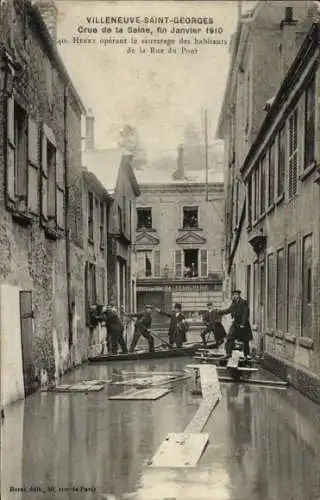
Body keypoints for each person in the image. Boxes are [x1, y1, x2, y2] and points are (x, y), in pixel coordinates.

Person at [218, 289, 253, 358]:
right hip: (236, 323)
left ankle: (247, 355)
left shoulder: (244, 302)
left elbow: (245, 314)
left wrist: (243, 324)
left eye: (236, 294)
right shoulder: (233, 303)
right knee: (229, 337)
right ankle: (228, 353)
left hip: (244, 324)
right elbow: (229, 310)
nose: (234, 296)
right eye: (233, 294)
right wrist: (220, 312)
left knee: (245, 340)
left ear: (238, 295)